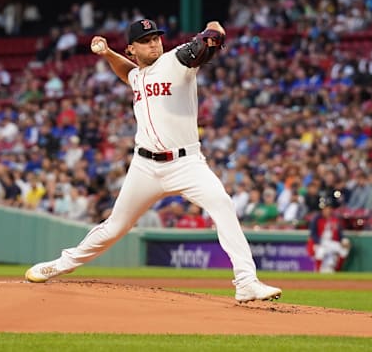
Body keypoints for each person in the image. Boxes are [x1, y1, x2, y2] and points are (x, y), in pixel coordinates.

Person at [25, 18, 282, 302]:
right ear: (132, 48)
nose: (154, 43)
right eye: (146, 40)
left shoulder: (176, 62)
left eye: (156, 38)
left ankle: (246, 281)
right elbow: (128, 73)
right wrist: (109, 54)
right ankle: (60, 265)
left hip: (186, 163)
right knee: (115, 227)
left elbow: (203, 44)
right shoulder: (138, 75)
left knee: (222, 204)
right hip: (145, 167)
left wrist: (213, 32)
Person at [306, 193, 351, 273]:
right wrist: (319, 242)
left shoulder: (335, 218)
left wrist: (344, 240)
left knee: (344, 249)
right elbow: (313, 234)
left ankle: (337, 271)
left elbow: (340, 234)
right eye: (326, 208)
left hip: (332, 242)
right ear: (322, 209)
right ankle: (318, 271)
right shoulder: (317, 218)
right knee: (321, 251)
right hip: (320, 242)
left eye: (329, 208)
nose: (328, 210)